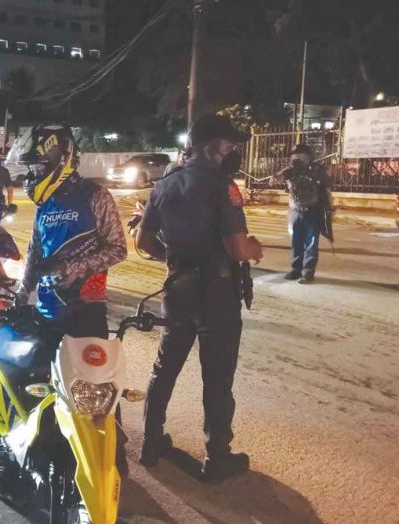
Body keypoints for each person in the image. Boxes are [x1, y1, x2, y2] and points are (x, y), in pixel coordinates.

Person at [136, 114, 263, 482]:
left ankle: (151, 443)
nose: (234, 150)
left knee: (164, 369)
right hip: (217, 295)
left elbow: (143, 242)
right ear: (212, 147)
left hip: (177, 290)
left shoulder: (166, 184)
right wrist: (253, 248)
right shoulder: (223, 186)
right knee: (217, 378)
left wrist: (179, 260)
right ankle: (217, 457)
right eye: (230, 144)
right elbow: (237, 247)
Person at [15, 124, 127, 338]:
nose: (33, 175)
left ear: (61, 161)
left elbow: (118, 249)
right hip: (46, 310)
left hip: (86, 311)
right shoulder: (44, 203)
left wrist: (70, 267)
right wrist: (23, 291)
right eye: (31, 169)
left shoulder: (96, 195)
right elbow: (34, 251)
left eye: (38, 167)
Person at [270, 143, 333, 284]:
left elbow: (327, 188)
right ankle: (295, 269)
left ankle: (308, 272)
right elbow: (277, 178)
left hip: (313, 211)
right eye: (294, 154)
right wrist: (275, 178)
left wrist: (329, 208)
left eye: (301, 153)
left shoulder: (317, 170)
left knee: (311, 243)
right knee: (296, 242)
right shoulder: (290, 170)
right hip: (295, 211)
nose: (297, 156)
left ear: (309, 156)